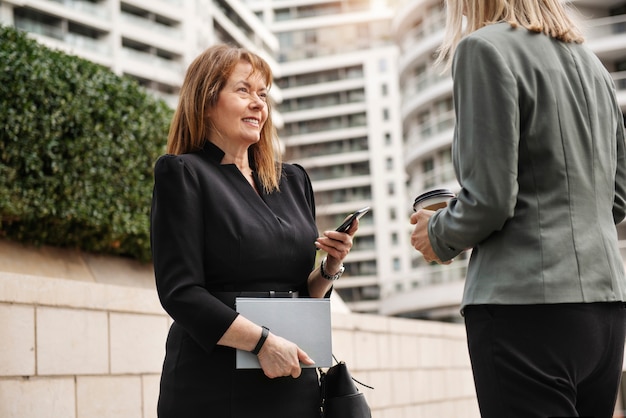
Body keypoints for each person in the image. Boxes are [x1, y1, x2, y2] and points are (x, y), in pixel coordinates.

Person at [410, 1, 626, 417]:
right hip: (605, 314)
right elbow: (617, 198)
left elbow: (490, 200)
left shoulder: (483, 49)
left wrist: (437, 234)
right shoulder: (594, 66)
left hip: (523, 310)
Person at [150, 44, 357, 418]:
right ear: (206, 100)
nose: (259, 104)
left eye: (263, 94)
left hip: (293, 378)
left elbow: (297, 291)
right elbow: (179, 292)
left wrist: (328, 269)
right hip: (212, 385)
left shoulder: (293, 180)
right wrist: (262, 343)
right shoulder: (182, 173)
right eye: (243, 90)